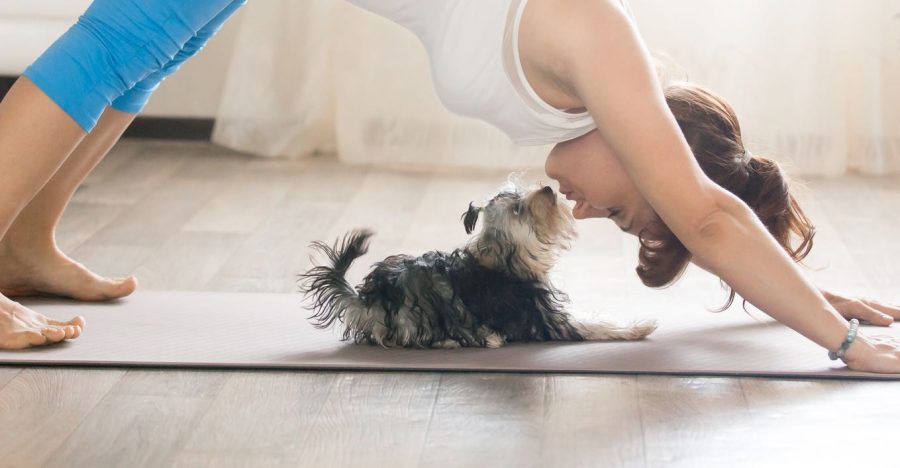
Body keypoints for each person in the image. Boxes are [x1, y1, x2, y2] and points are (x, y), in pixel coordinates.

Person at [0, 0, 897, 373]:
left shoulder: (588, 101)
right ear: (660, 147)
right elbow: (703, 211)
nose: (585, 214)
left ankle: (25, 243)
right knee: (127, 36)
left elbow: (707, 210)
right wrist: (845, 342)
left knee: (160, 39)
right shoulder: (594, 40)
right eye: (623, 210)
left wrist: (805, 288)